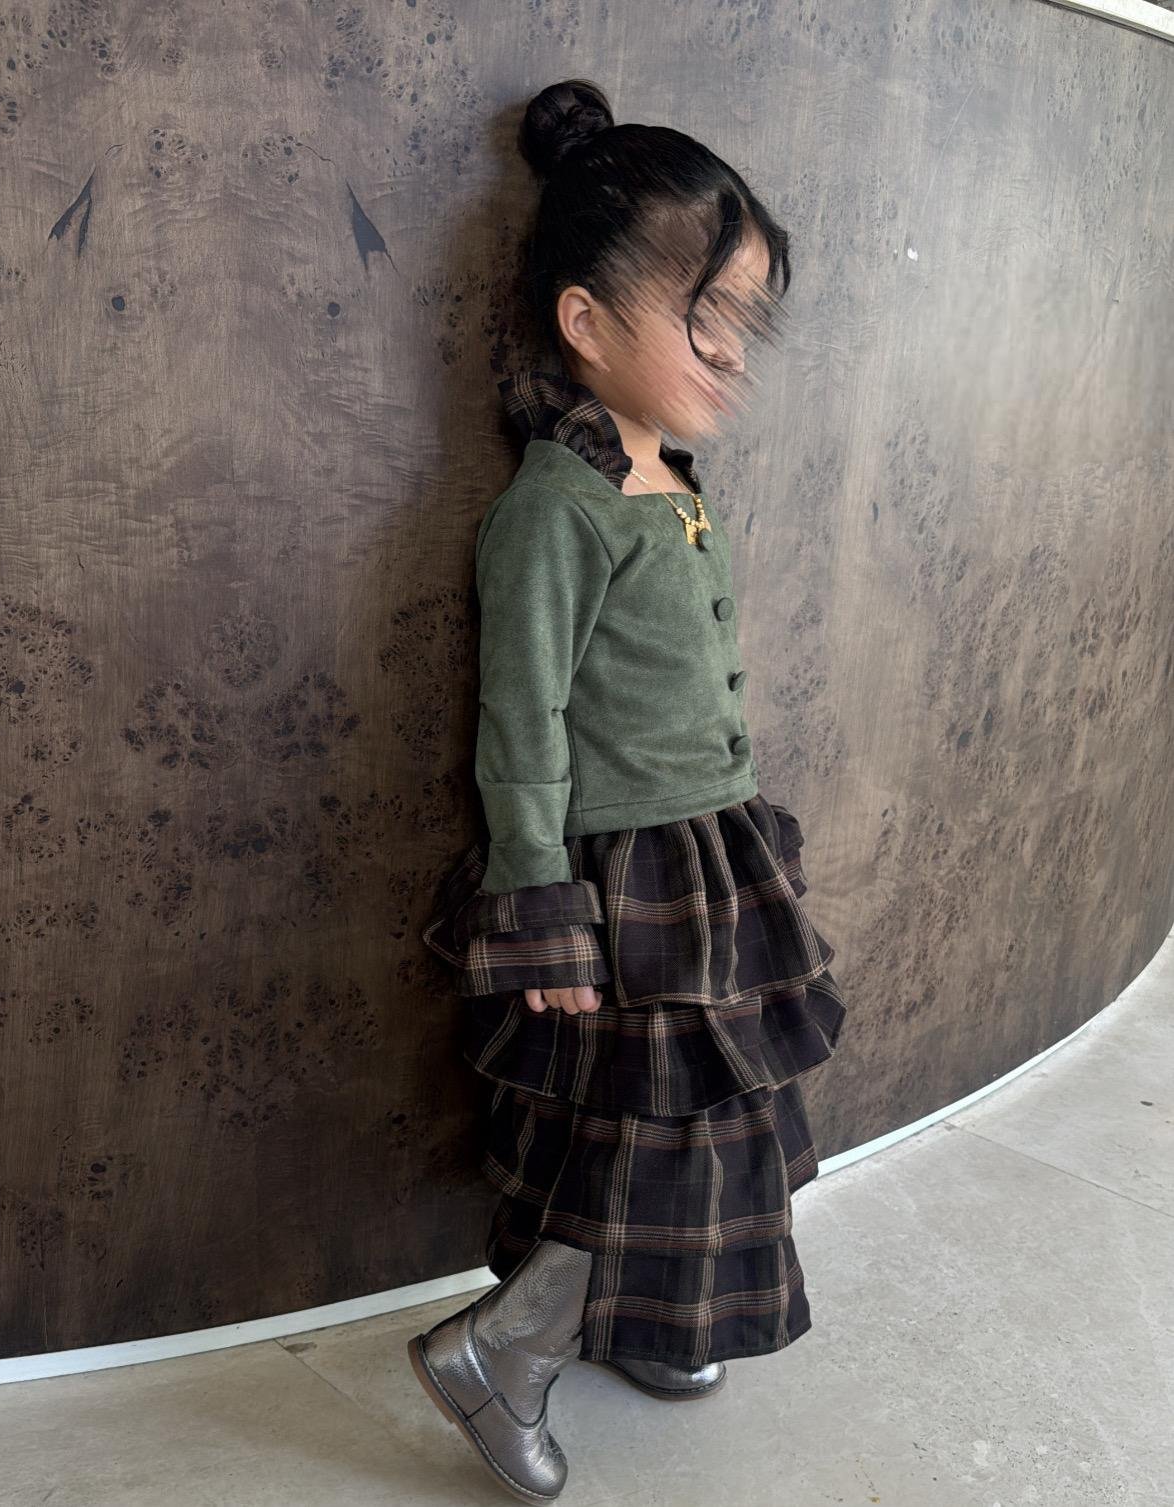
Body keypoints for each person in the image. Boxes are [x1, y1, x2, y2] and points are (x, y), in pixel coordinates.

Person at [409, 77, 848, 1503]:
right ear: (586, 324)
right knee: (654, 1131)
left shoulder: (674, 478)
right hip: (623, 878)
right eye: (700, 314)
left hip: (710, 862)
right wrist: (540, 905)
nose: (728, 350)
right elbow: (519, 720)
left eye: (745, 321)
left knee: (703, 1125)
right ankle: (505, 1350)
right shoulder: (556, 506)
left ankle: (640, 1321)